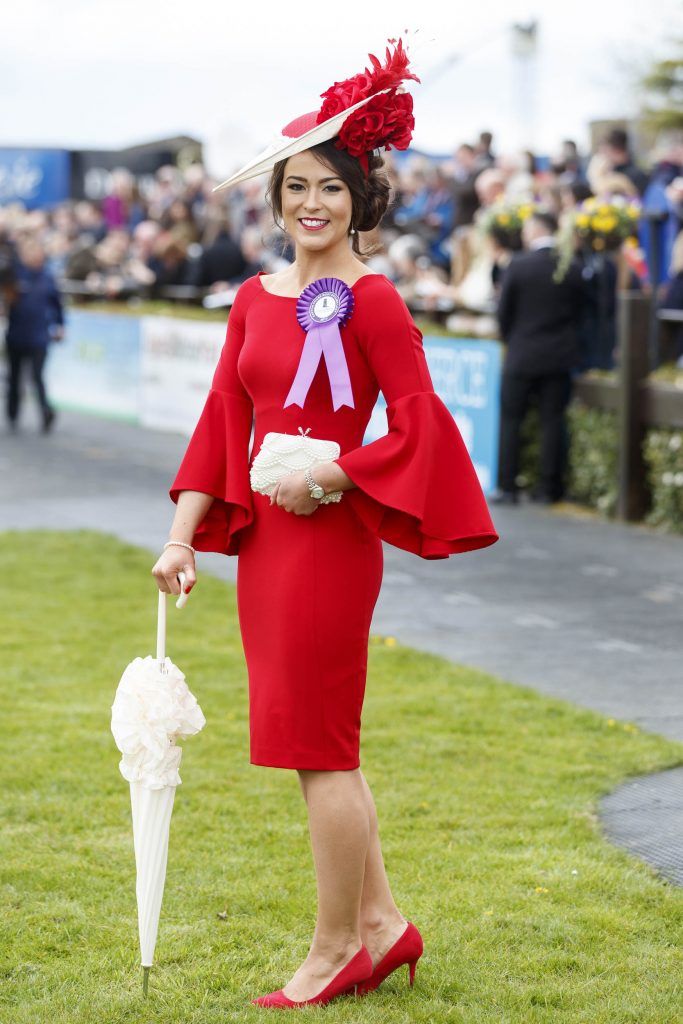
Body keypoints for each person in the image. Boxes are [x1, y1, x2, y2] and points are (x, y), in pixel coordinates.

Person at [151, 38, 499, 1010]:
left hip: (327, 542)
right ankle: (384, 928)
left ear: (360, 201)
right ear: (276, 200)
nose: (311, 203)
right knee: (310, 745)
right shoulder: (255, 303)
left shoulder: (375, 302)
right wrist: (183, 536)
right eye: (295, 186)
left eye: (330, 190)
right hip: (262, 547)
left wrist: (340, 469)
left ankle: (334, 947)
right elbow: (222, 420)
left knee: (321, 749)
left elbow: (421, 422)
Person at [494, 210, 584, 504]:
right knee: (553, 420)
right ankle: (549, 488)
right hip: (559, 355)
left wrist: (512, 339)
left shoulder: (518, 265)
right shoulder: (570, 265)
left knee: (511, 420)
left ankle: (508, 487)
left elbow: (503, 313)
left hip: (521, 354)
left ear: (534, 230)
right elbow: (581, 313)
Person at [4, 237, 64, 433]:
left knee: (37, 376)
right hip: (16, 335)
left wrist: (60, 325)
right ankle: (12, 413)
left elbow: (57, 304)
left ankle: (46, 412)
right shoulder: (14, 276)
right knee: (14, 377)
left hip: (39, 336)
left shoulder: (48, 277)